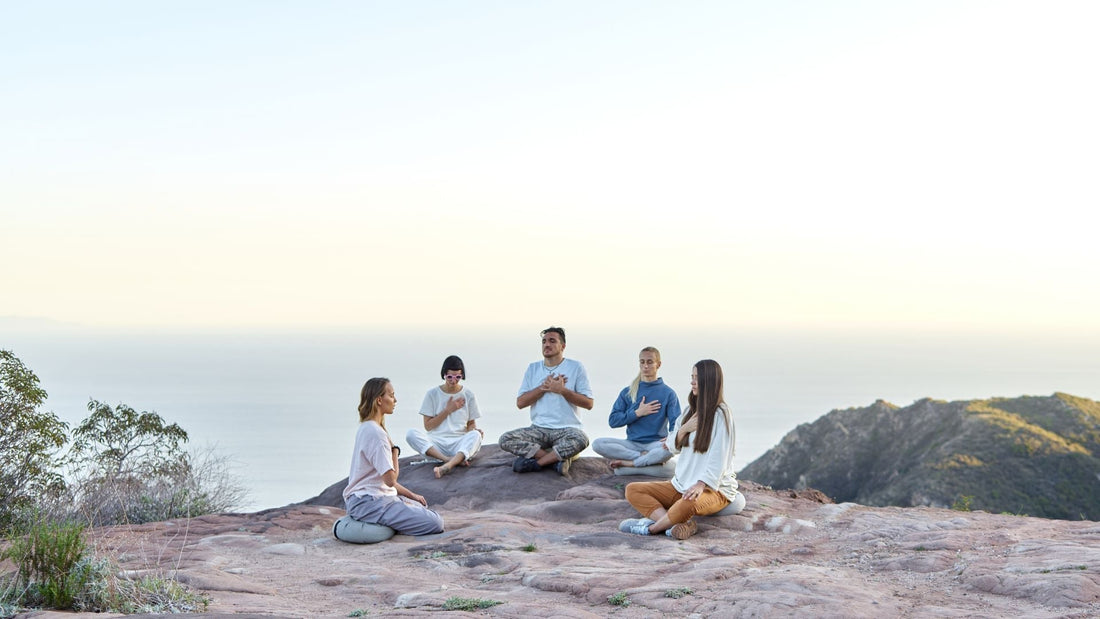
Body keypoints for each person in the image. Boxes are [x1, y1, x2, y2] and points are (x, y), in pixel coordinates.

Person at [619, 359, 743, 539]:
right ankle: (674, 526)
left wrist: (701, 484)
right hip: (681, 484)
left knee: (686, 504)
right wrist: (684, 429)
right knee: (633, 490)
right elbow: (670, 446)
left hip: (713, 489)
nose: (692, 382)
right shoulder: (688, 412)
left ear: (709, 381)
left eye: (697, 378)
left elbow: (720, 457)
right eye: (691, 377)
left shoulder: (722, 414)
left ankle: (650, 529)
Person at [343, 377, 444, 536]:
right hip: (370, 503)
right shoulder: (376, 434)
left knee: (419, 506)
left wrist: (411, 495)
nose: (395, 400)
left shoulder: (366, 427)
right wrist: (395, 451)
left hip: (365, 500)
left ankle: (397, 517)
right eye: (391, 395)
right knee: (435, 522)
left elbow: (381, 481)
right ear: (379, 400)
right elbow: (390, 480)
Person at [500, 326, 594, 475]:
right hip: (538, 429)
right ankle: (555, 461)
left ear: (562, 346)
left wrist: (561, 390)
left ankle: (537, 463)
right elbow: (521, 403)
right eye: (544, 341)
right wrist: (544, 387)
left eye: (552, 341)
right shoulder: (533, 368)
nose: (547, 345)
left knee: (582, 439)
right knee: (505, 439)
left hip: (567, 429)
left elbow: (588, 403)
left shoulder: (575, 367)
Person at [592, 346, 681, 470]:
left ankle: (630, 464)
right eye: (642, 362)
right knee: (598, 444)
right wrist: (637, 413)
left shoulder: (668, 393)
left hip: (655, 444)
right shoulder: (628, 392)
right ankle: (643, 458)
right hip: (631, 444)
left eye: (650, 362)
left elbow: (676, 423)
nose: (645, 366)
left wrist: (671, 437)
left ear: (658, 364)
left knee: (668, 450)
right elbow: (613, 421)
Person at [405, 355, 484, 478]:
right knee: (411, 434)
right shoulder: (432, 394)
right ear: (444, 375)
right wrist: (448, 410)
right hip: (436, 444)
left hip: (458, 442)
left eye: (458, 377)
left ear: (462, 376)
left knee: (476, 435)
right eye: (450, 377)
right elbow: (428, 426)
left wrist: (472, 431)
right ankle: (447, 460)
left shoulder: (468, 394)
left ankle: (448, 465)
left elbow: (471, 423)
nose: (453, 381)